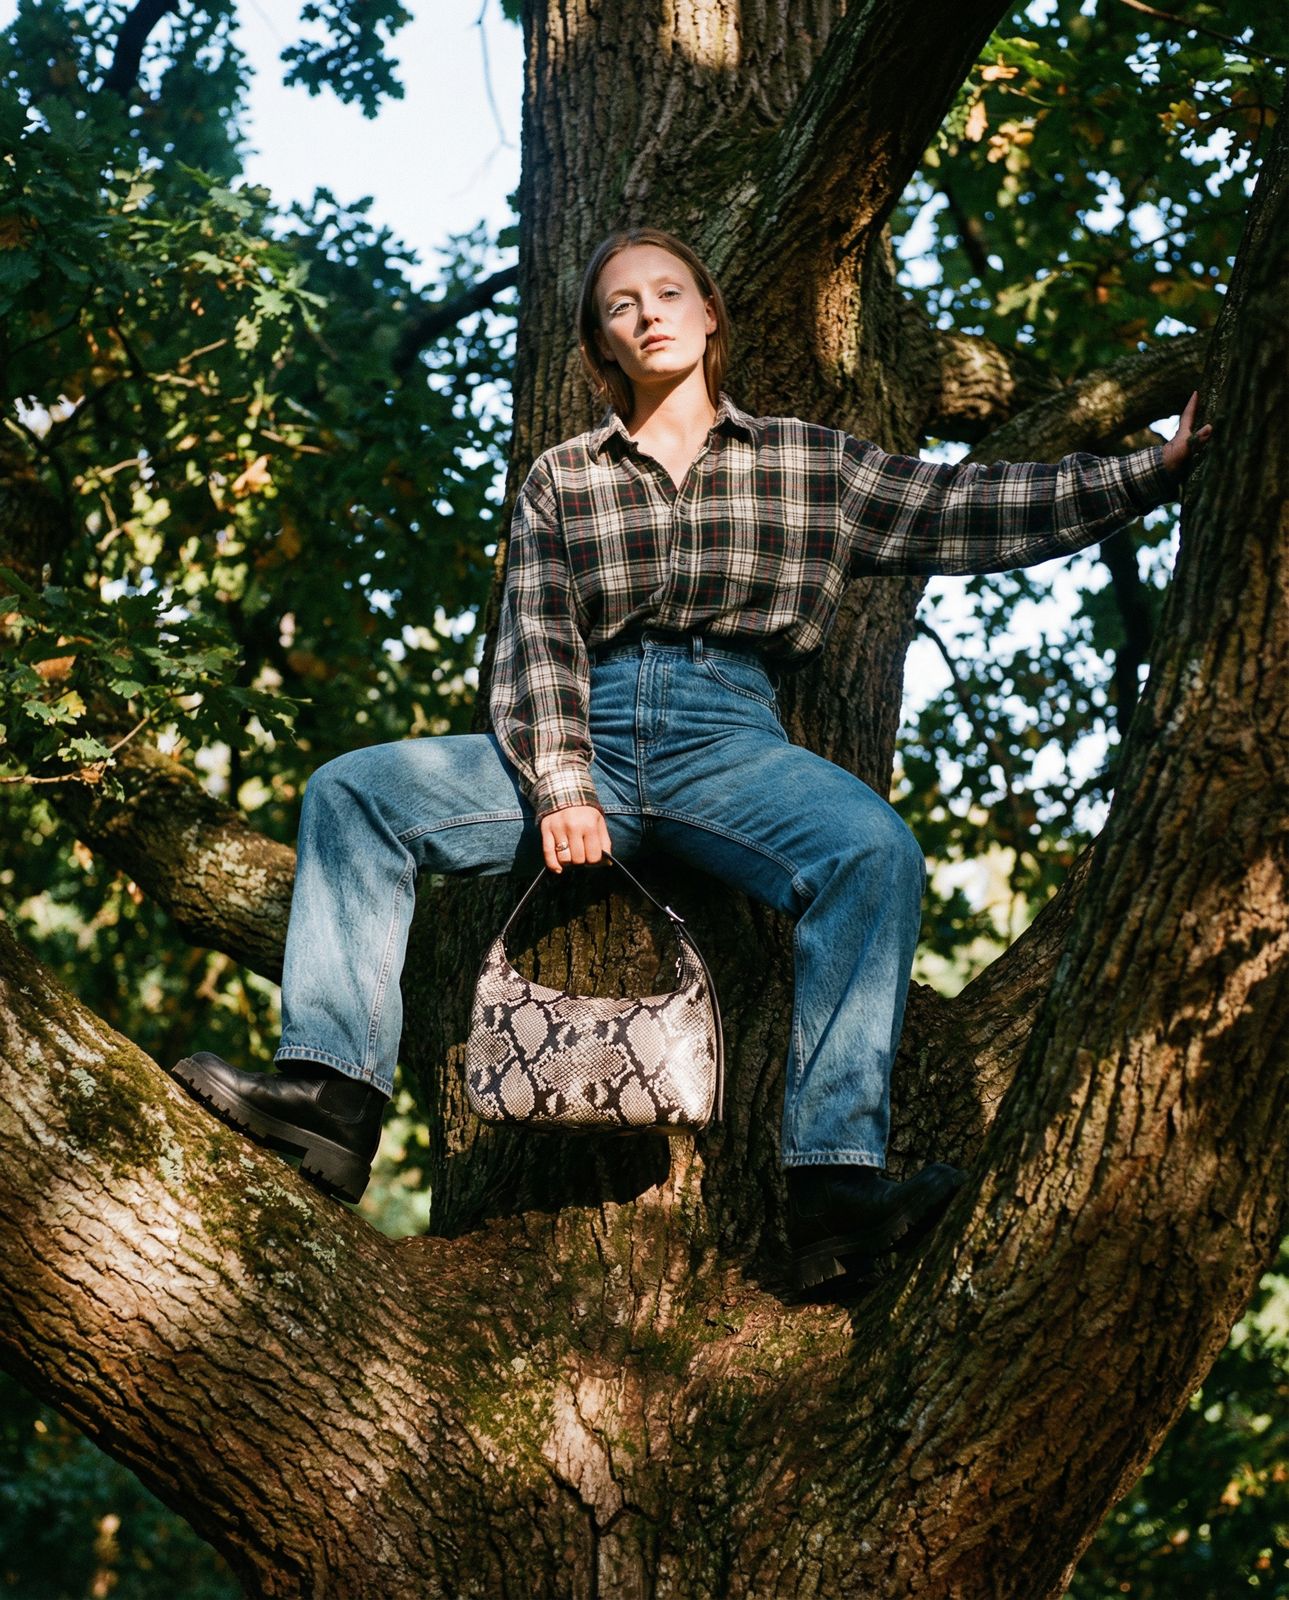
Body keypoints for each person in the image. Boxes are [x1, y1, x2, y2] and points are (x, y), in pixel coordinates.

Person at [171, 227, 1211, 1289]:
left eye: (669, 292)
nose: (649, 312)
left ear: (710, 315)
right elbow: (534, 640)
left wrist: (1151, 471)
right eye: (622, 305)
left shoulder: (809, 462)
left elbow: (964, 507)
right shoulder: (562, 478)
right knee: (354, 793)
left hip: (732, 743)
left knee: (873, 854)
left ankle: (834, 1189)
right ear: (601, 347)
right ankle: (330, 1097)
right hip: (584, 728)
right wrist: (563, 782)